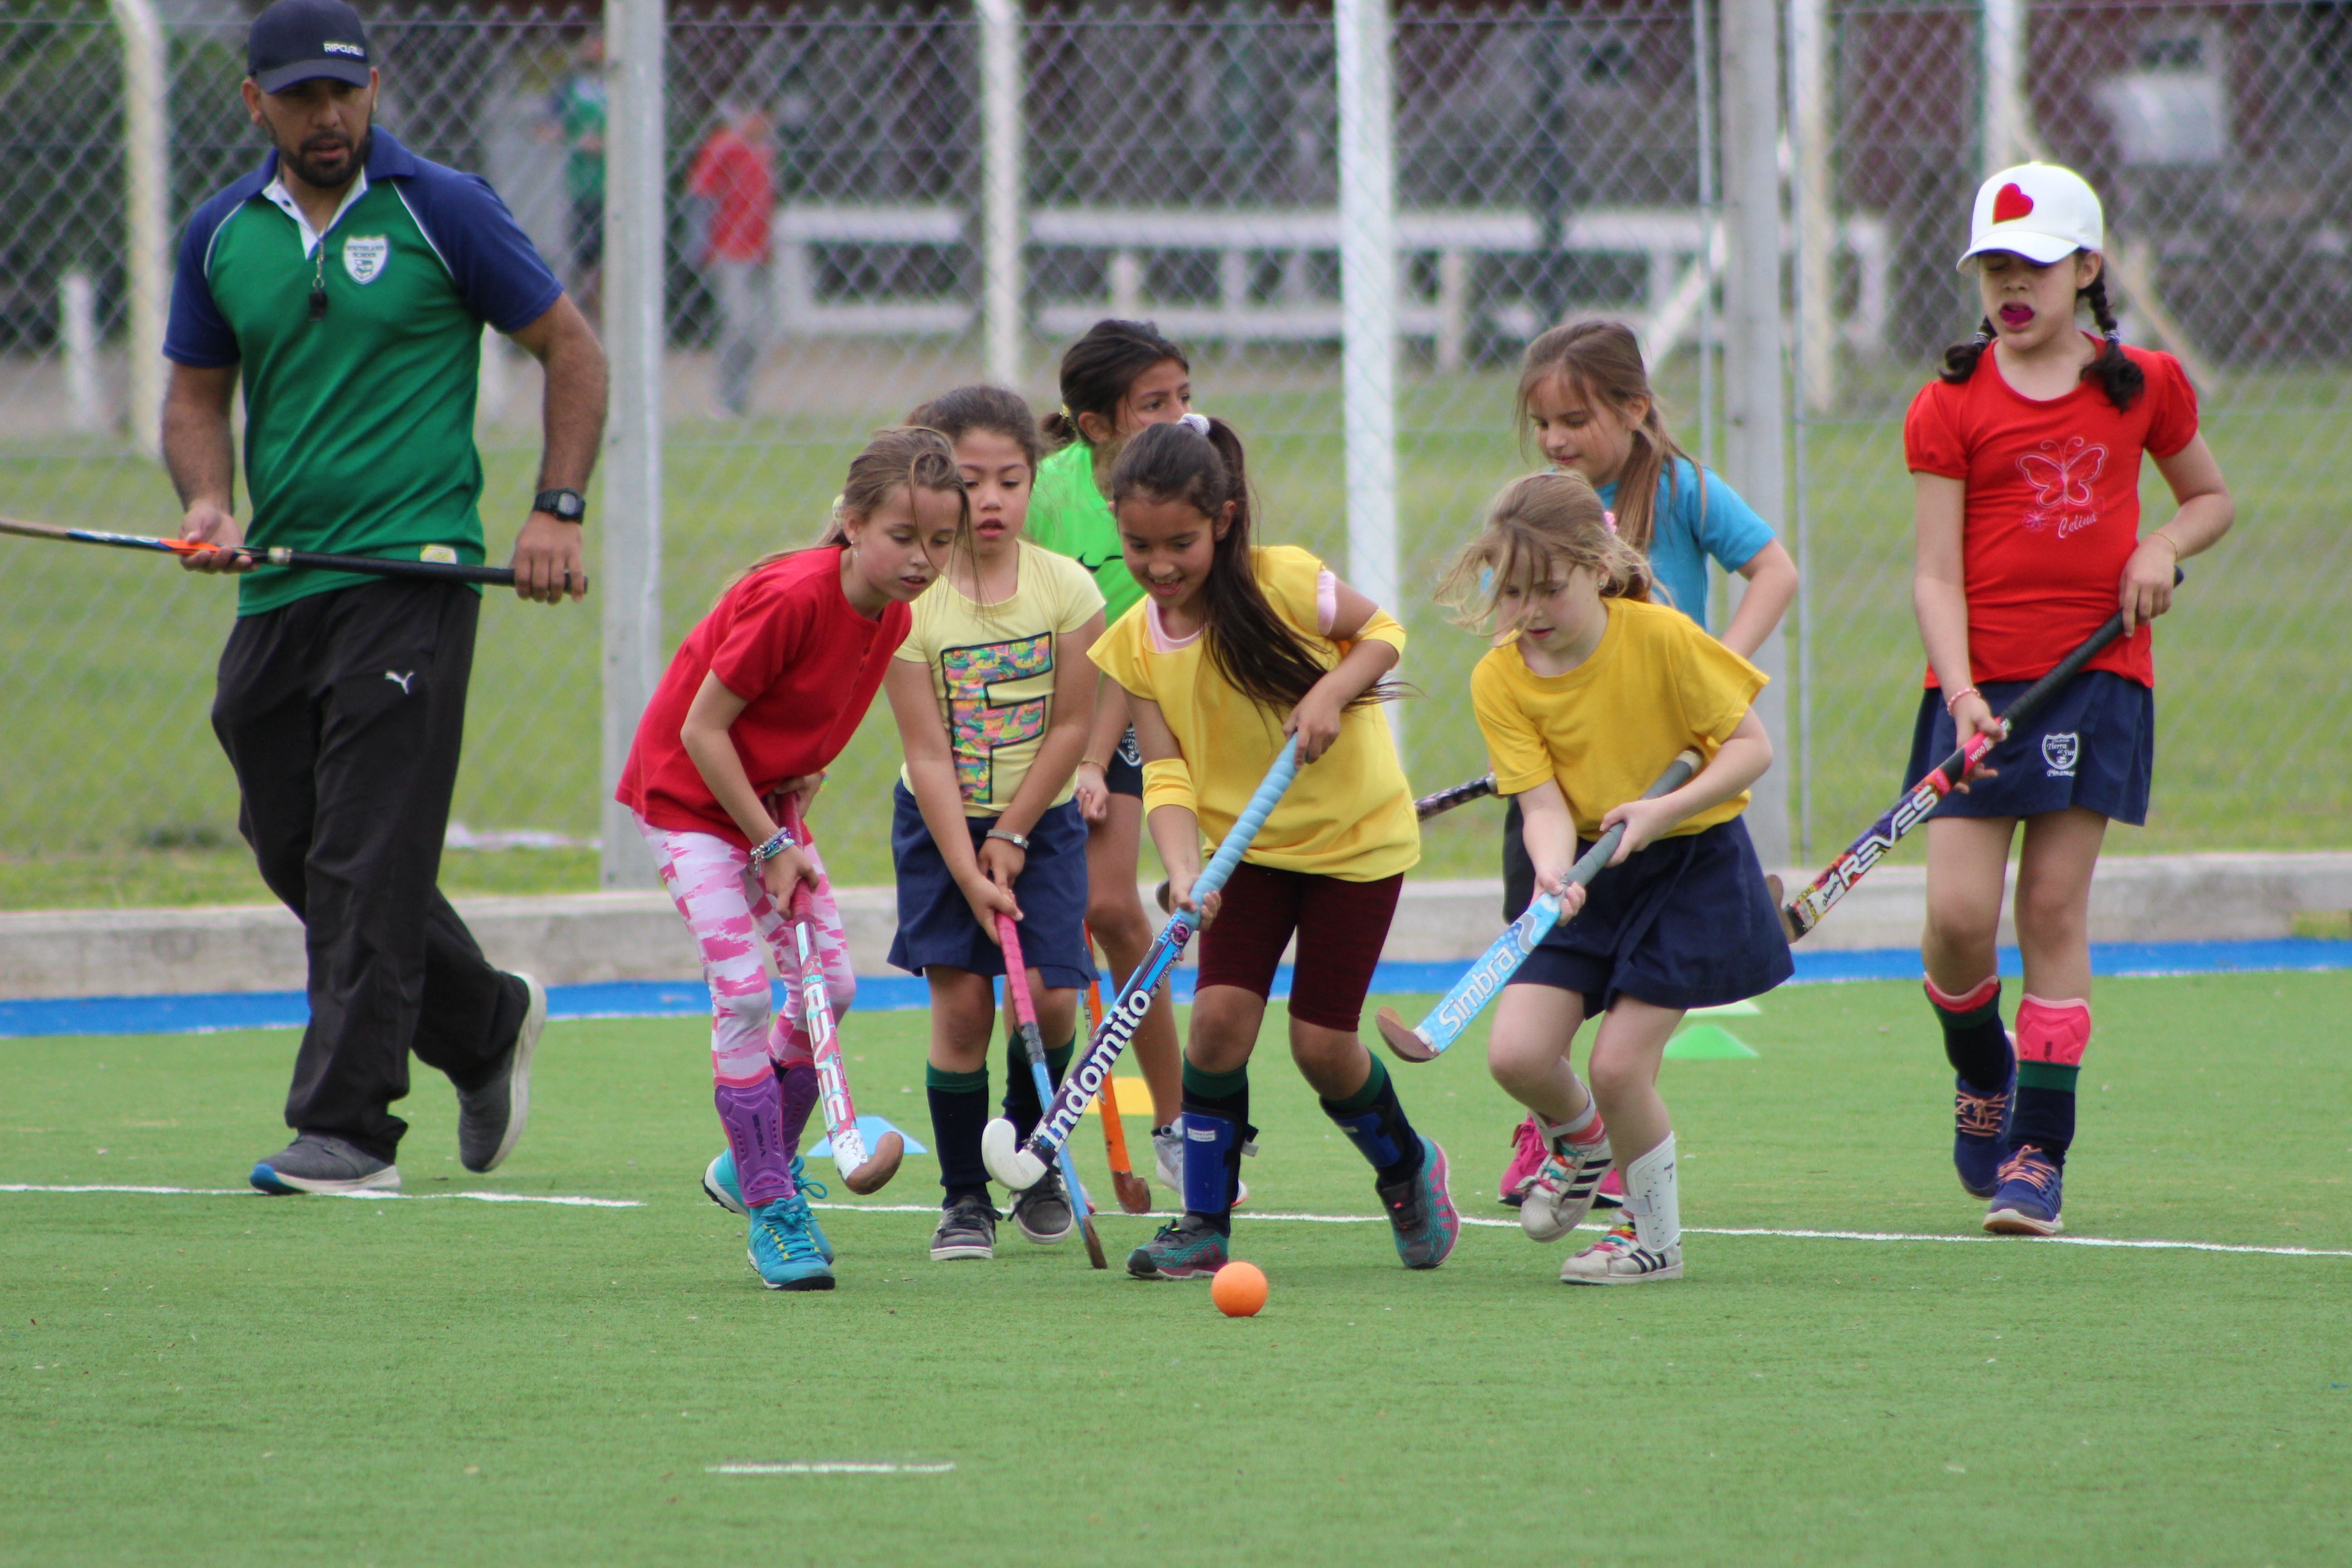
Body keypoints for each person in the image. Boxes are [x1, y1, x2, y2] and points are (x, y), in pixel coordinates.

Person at [163, 0, 607, 1196]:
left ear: (376, 90)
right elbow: (197, 397)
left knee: (366, 850)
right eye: (302, 96)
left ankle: (349, 1131)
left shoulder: (443, 207)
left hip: (414, 578)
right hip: (281, 589)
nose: (329, 116)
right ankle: (480, 1021)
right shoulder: (220, 234)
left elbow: (572, 346)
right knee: (295, 841)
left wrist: (553, 510)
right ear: (255, 103)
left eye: (346, 93)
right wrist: (209, 505)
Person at [1906, 162, 2231, 1236]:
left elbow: (2209, 498)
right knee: (1956, 919)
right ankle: (1978, 1063)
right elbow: (1934, 572)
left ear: (2086, 269)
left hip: (2093, 679)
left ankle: (2037, 1152)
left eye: (2033, 265)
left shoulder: (2145, 383)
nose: (2010, 285)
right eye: (1993, 265)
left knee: (2048, 906)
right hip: (1974, 687)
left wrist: (2157, 544)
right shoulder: (1948, 401)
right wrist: (1956, 690)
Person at [1092, 416, 1456, 1280]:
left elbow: (1385, 633)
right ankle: (1204, 1221)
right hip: (1244, 856)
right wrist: (1185, 873)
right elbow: (1168, 772)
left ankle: (1407, 1168)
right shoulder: (1134, 640)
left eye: (1179, 542)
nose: (1160, 566)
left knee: (1320, 1048)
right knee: (1216, 1027)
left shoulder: (1285, 581)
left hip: (1354, 845)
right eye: (1138, 546)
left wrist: (1332, 689)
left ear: (1222, 518)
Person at [620, 427, 970, 1290]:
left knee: (834, 990)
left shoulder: (892, 615)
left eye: (939, 540)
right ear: (851, 523)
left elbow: (807, 725)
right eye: (903, 537)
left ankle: (751, 1159)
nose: (923, 559)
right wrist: (772, 843)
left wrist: (791, 808)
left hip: (764, 808)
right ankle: (773, 1205)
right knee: (742, 991)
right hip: (688, 803)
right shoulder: (791, 598)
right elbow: (702, 731)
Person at [1441, 470, 1790, 1283]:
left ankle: (1652, 1239)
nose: (1527, 612)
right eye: (1511, 591)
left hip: (1689, 865)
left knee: (1616, 1066)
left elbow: (1748, 748)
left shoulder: (1661, 639)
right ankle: (1583, 1140)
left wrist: (1661, 812)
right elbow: (1541, 804)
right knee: (1518, 1055)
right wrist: (1553, 871)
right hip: (1593, 871)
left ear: (1597, 568)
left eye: (1547, 590)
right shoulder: (1498, 677)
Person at [1492, 319, 1800, 1210]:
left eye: (1575, 419)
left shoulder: (1682, 490)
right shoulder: (1538, 514)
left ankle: (1626, 1164)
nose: (1556, 440)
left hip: (1668, 781)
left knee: (1627, 1029)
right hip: (1571, 788)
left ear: (1634, 409)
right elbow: (1514, 638)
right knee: (1547, 970)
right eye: (1542, 421)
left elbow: (1772, 570)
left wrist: (1721, 678)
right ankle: (1557, 1127)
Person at [881, 387, 1105, 1263]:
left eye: (1010, 480)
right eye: (970, 482)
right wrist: (967, 858)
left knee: (1048, 994)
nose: (991, 501)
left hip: (1039, 821)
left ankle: (1030, 1154)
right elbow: (927, 754)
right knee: (965, 1007)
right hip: (937, 823)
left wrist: (1011, 834)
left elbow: (1070, 727)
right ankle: (963, 1197)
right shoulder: (913, 602)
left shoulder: (1066, 588)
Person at [1025, 319, 1199, 1196]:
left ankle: (1180, 1125)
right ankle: (1032, 1140)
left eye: (1182, 396)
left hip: (1131, 707)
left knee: (1109, 907)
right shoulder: (1041, 489)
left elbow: (1139, 651)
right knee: (1030, 942)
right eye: (1153, 404)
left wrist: (1094, 756)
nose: (1179, 416)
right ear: (1095, 425)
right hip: (1031, 716)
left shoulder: (1182, 489)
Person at [687, 100, 774, 417]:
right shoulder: (724, 146)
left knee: (759, 330)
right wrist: (698, 248)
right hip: (728, 249)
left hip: (760, 251)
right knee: (737, 324)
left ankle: (740, 398)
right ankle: (724, 399)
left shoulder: (765, 151)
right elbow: (700, 196)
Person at [546, 32, 606, 317]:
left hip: (617, 185)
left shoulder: (623, 86)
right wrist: (577, 139)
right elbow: (547, 128)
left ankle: (610, 309)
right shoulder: (571, 88)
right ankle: (590, 311)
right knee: (587, 254)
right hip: (584, 185)